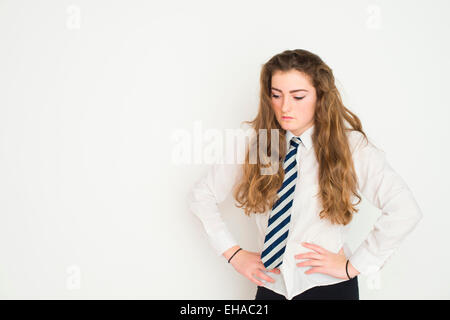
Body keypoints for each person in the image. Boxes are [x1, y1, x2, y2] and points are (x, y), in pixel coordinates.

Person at [187, 49, 423, 300]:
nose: (284, 106)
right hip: (271, 287)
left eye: (298, 96)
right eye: (276, 95)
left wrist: (354, 265)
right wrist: (234, 254)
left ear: (321, 97)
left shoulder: (349, 147)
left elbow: (404, 209)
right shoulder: (261, 144)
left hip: (329, 289)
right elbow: (201, 196)